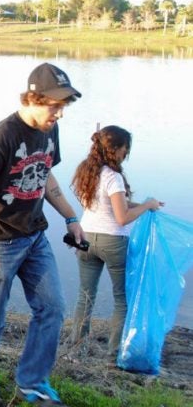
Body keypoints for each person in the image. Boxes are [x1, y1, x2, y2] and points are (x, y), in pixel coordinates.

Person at [0, 63, 84, 406]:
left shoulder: (49, 131)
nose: (59, 114)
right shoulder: (1, 136)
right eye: (54, 106)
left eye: (63, 107)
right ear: (33, 98)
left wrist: (71, 217)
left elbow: (45, 175)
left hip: (34, 235)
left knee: (53, 308)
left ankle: (32, 381)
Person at [69, 125, 163, 357]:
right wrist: (146, 206)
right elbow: (122, 218)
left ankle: (75, 349)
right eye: (125, 148)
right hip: (112, 242)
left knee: (85, 295)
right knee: (122, 299)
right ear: (116, 149)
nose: (126, 153)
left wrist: (141, 203)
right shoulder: (113, 176)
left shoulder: (86, 171)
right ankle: (114, 355)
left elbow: (107, 204)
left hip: (86, 238)